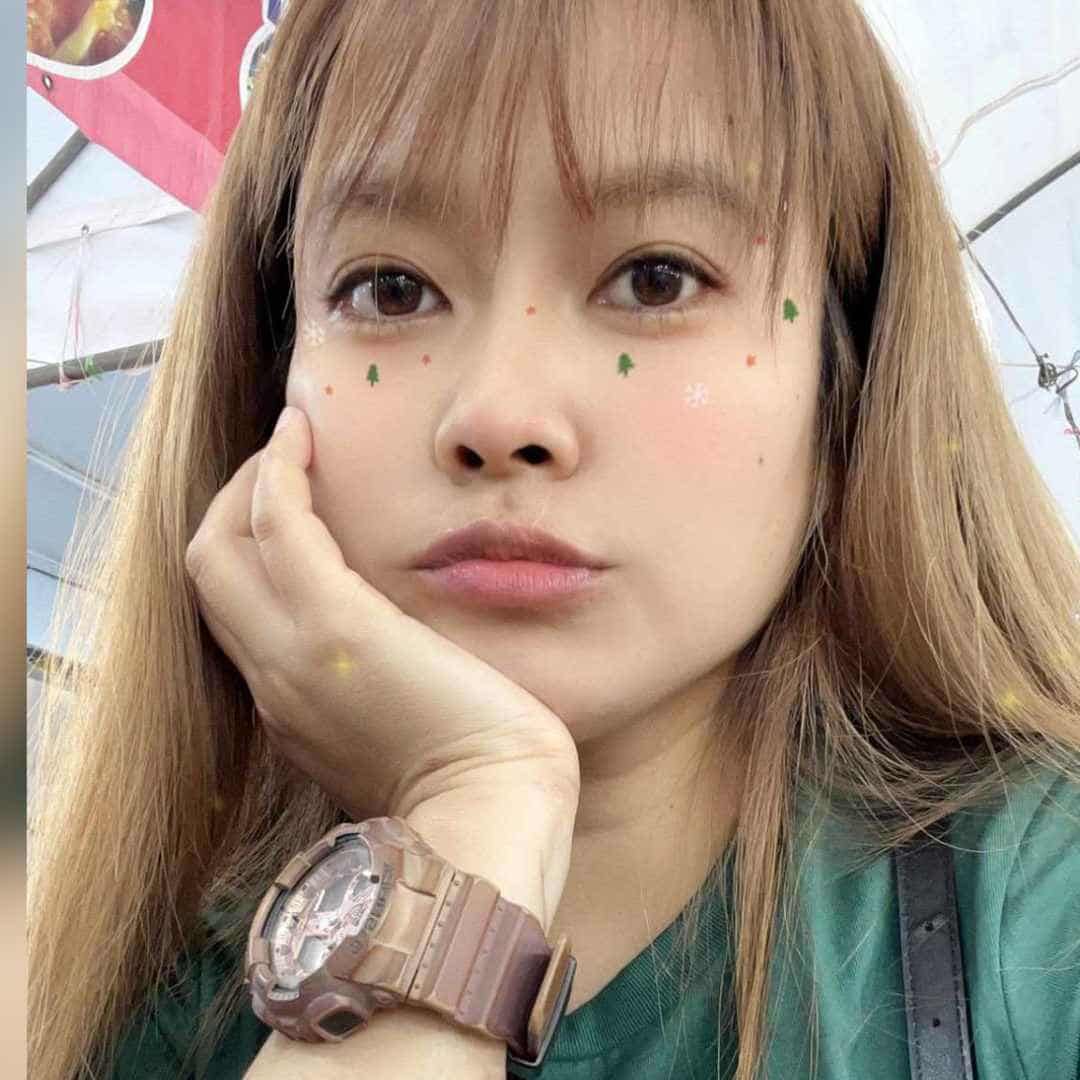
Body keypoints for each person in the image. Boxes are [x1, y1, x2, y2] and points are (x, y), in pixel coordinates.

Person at [27, 1, 1080, 1078]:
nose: (500, 413)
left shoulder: (1044, 919)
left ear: (845, 375)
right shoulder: (176, 1011)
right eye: (390, 288)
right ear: (269, 372)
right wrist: (470, 808)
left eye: (657, 278)